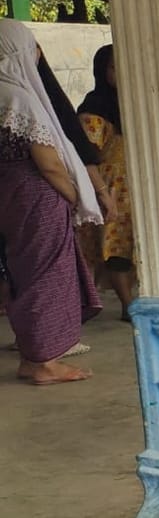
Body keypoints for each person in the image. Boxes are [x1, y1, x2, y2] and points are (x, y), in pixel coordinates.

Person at [0, 19, 102, 385]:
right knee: (46, 274)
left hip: (8, 192)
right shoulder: (18, 96)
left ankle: (32, 356)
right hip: (37, 194)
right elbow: (48, 164)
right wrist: (79, 198)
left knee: (24, 269)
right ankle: (43, 360)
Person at [78, 44, 139, 320]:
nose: (122, 72)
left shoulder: (132, 102)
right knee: (116, 248)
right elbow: (89, 153)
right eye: (114, 67)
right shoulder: (94, 108)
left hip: (139, 185)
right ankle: (128, 305)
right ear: (102, 71)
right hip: (112, 188)